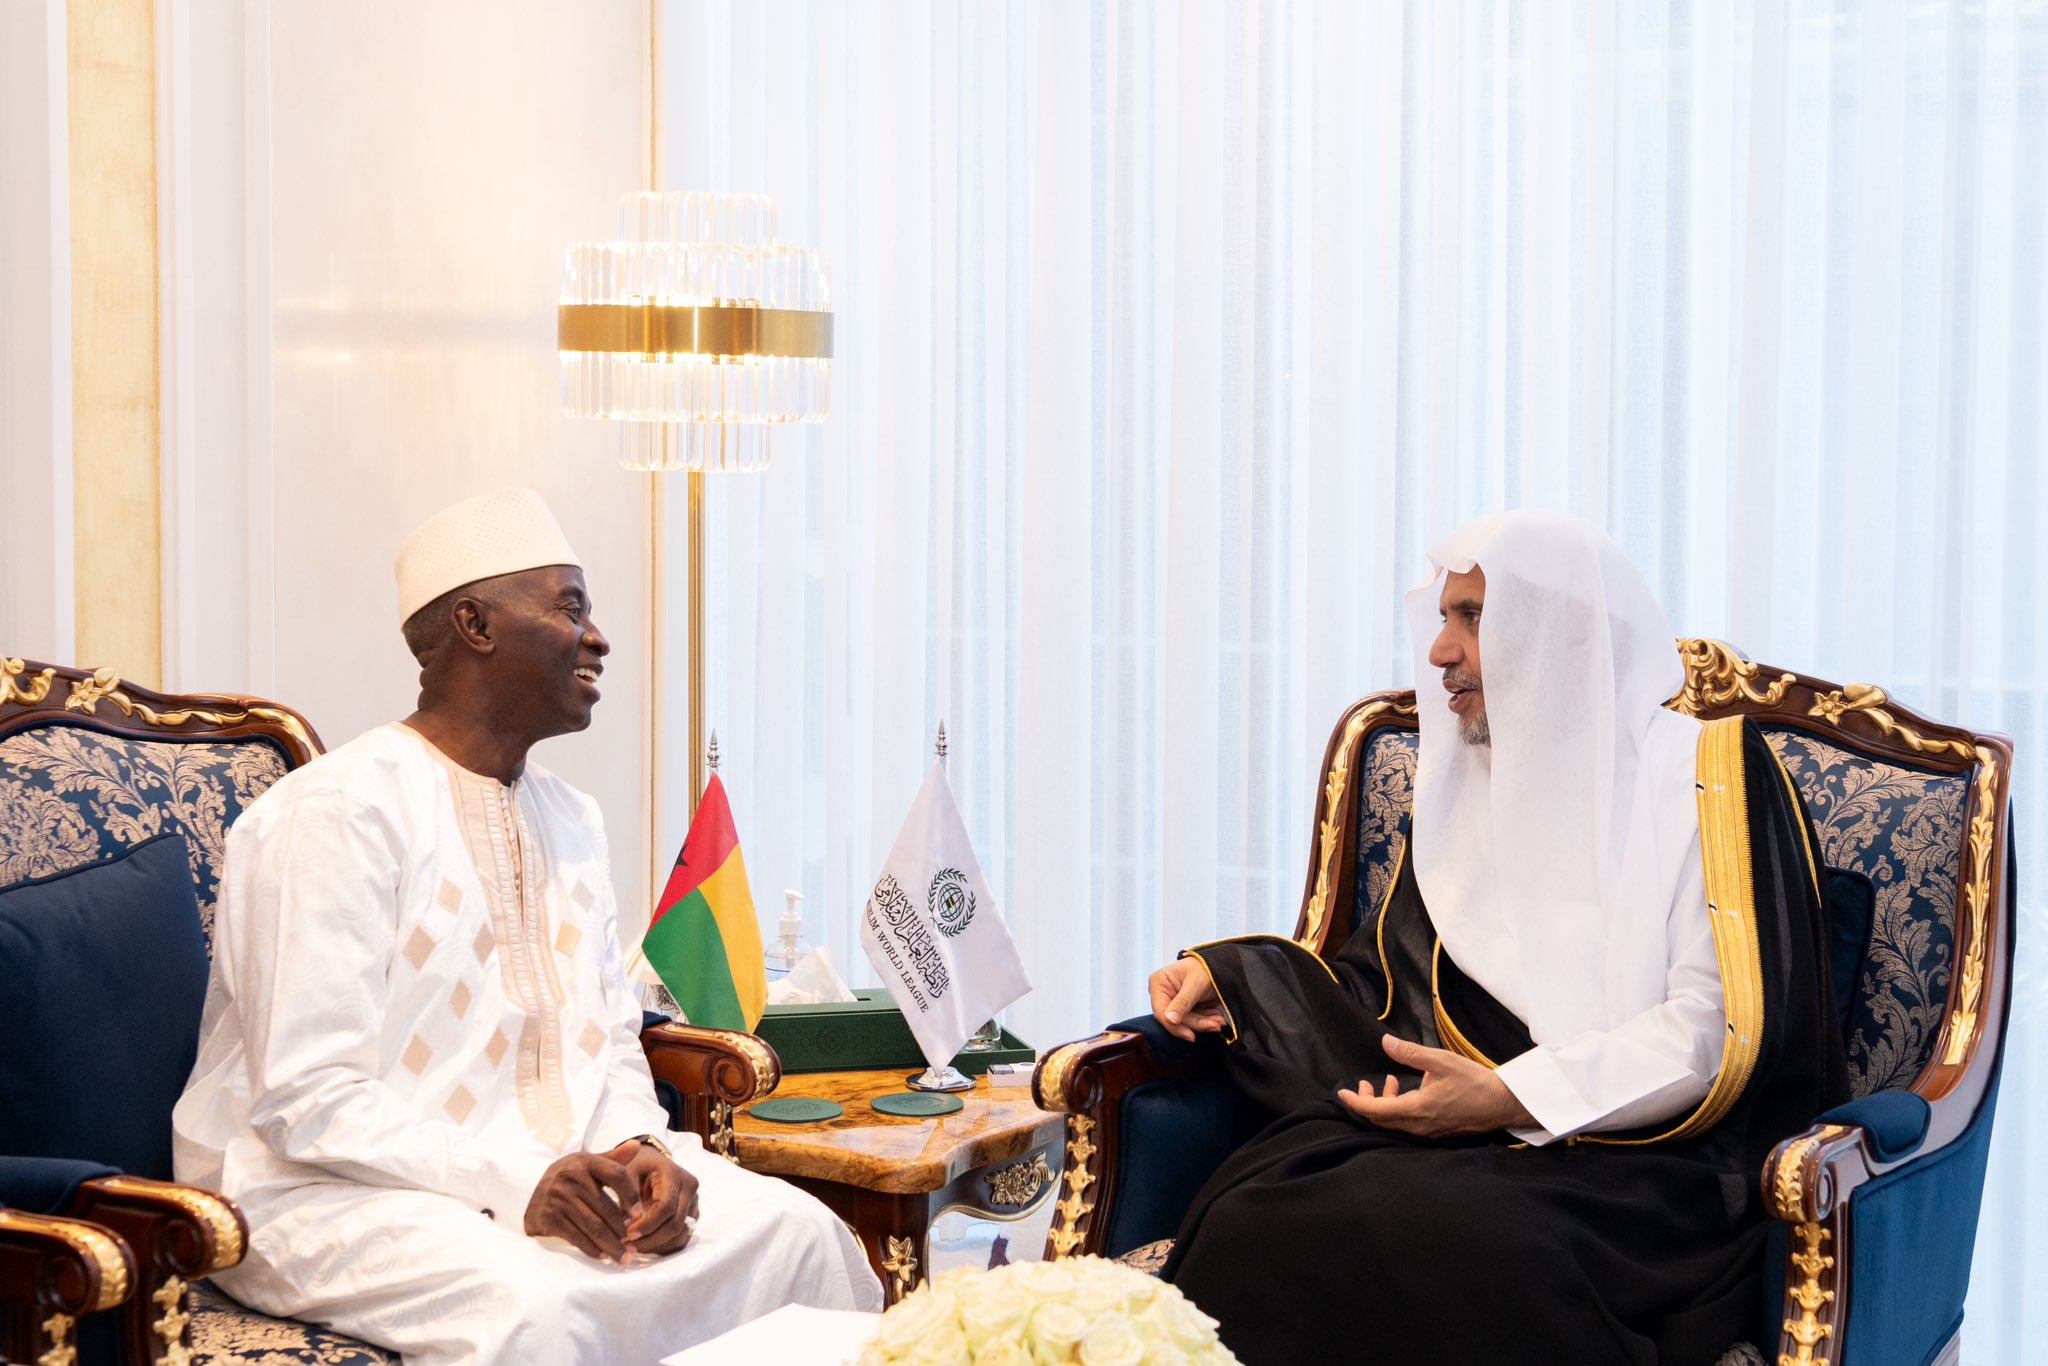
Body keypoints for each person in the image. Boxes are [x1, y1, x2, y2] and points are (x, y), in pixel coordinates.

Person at [173, 488, 881, 1364]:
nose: (598, 636)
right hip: (326, 1192)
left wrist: (639, 1144)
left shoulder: (572, 816)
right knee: (539, 1310)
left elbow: (612, 1041)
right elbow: (306, 1099)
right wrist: (516, 1181)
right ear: (475, 624)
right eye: (571, 607)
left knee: (797, 1234)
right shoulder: (334, 814)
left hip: (562, 1167)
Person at [1148, 511, 1846, 1365]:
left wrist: (1512, 1096)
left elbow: (1714, 1028)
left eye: (1472, 618)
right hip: (1467, 1136)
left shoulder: (1709, 775)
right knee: (1258, 1213)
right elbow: (1383, 986)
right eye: (1443, 619)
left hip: (1646, 1157)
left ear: (1563, 634)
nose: (1439, 652)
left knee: (1477, 1245)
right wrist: (1232, 984)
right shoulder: (1461, 784)